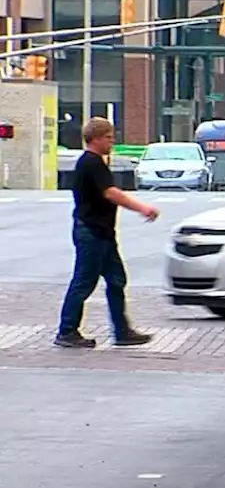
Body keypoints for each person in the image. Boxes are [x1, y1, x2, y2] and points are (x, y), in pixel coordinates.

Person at [55, 118, 159, 349]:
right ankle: (67, 331)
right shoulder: (91, 163)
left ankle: (122, 331)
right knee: (84, 281)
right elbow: (111, 193)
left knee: (116, 279)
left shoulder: (94, 162)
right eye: (109, 137)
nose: (112, 142)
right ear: (96, 138)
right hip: (92, 231)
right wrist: (143, 208)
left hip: (101, 232)